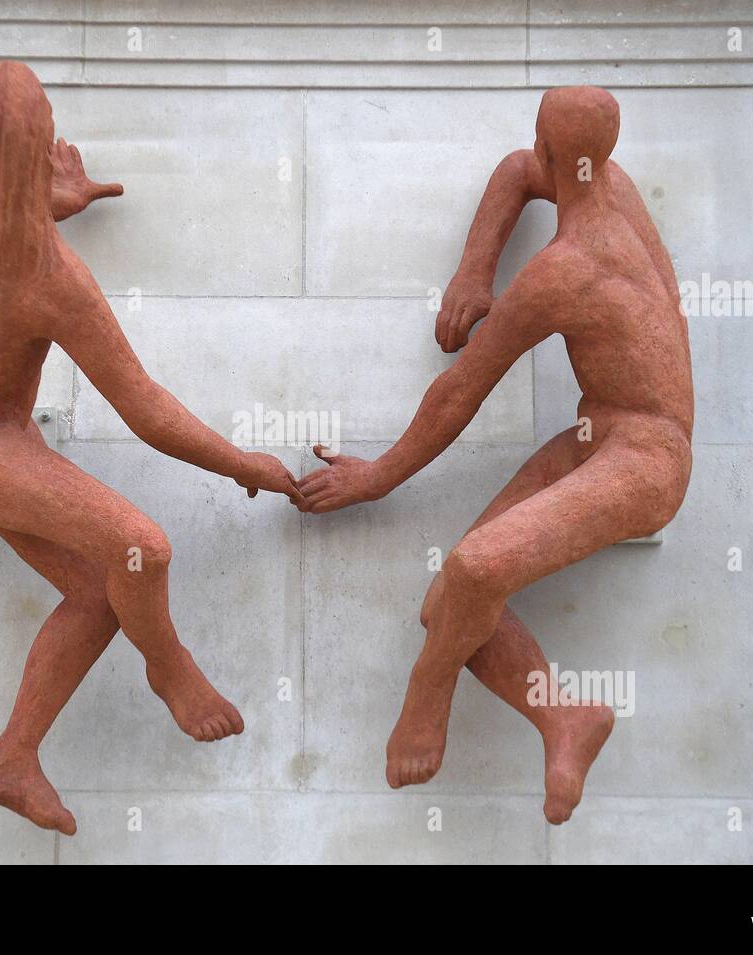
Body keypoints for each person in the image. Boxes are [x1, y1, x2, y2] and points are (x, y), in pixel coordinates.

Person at [0, 61, 301, 836]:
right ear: (40, 148)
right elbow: (146, 409)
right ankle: (169, 667)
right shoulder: (48, 279)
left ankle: (10, 759)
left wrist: (39, 200)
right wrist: (245, 463)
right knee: (141, 552)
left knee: (98, 592)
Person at [297, 86, 693, 824]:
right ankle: (564, 719)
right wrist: (473, 271)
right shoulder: (613, 182)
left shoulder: (564, 272)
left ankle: (427, 693)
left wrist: (376, 476)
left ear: (552, 147)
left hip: (647, 458)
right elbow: (517, 171)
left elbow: (459, 393)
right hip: (596, 433)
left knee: (475, 571)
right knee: (452, 601)